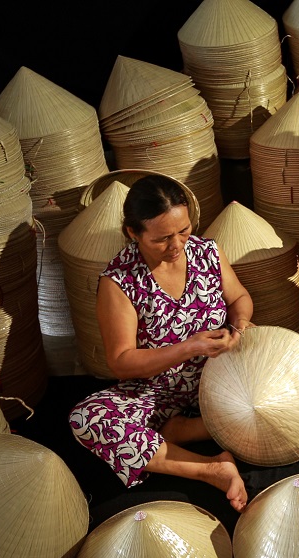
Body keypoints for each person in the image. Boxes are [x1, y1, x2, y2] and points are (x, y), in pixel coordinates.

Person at [69, 175, 253, 512]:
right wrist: (187, 348)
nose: (177, 245)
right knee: (88, 419)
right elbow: (121, 361)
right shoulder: (120, 281)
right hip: (157, 392)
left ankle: (191, 429)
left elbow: (239, 297)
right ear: (132, 233)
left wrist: (239, 326)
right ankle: (212, 468)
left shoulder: (207, 251)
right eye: (162, 238)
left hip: (223, 377)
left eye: (183, 231)